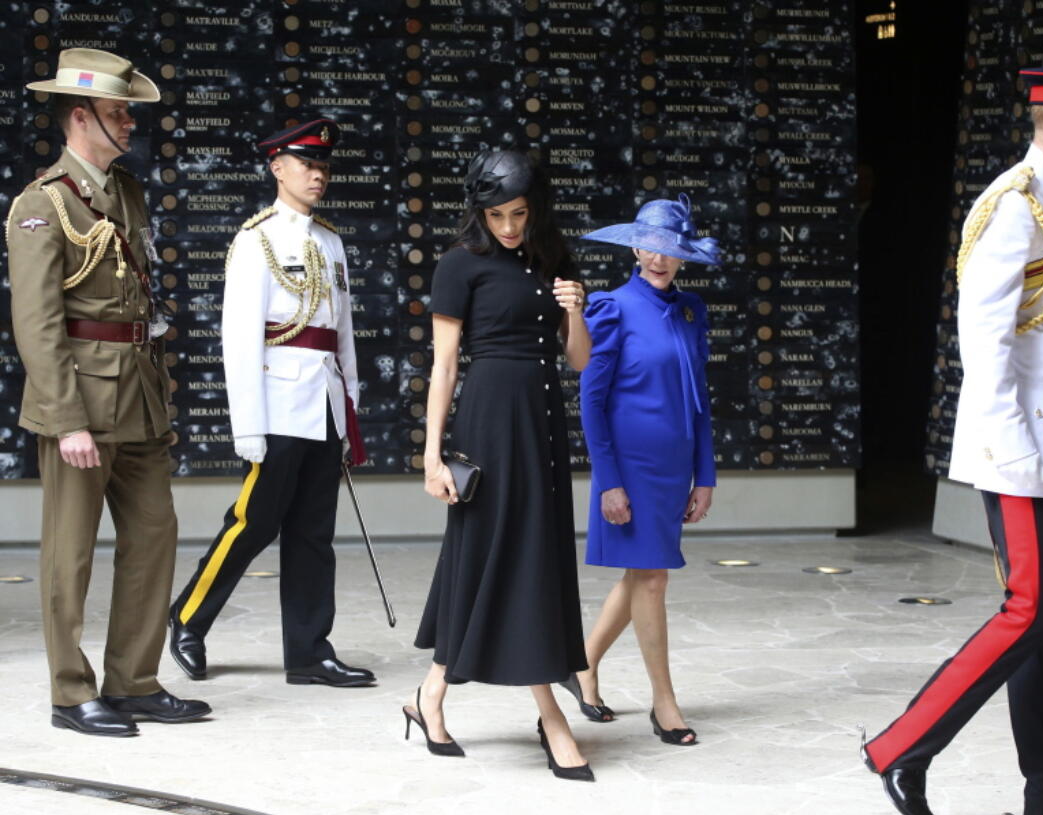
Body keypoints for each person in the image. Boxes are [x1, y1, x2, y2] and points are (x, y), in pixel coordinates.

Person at [861, 62, 1043, 815]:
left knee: (1039, 626)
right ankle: (899, 748)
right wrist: (1026, 468)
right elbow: (984, 349)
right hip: (1018, 456)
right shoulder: (1013, 209)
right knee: (1025, 614)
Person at [6, 48, 210, 735]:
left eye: (128, 111)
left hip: (138, 394)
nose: (130, 123)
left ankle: (133, 681)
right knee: (70, 550)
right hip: (81, 404)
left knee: (154, 535)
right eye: (119, 112)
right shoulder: (42, 205)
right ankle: (71, 693)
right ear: (80, 116)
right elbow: (37, 325)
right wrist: (67, 422)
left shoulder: (124, 191)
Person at [166, 119, 375, 689]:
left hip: (324, 405)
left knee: (313, 533)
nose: (317, 174)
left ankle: (309, 652)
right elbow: (238, 341)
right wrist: (247, 428)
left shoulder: (331, 242)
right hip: (278, 407)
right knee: (252, 524)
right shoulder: (255, 240)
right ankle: (187, 617)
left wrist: (350, 403)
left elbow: (342, 334)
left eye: (324, 166)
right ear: (276, 167)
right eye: (307, 164)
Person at [408, 149, 594, 781]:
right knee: (491, 550)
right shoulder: (461, 264)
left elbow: (580, 362)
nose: (509, 227)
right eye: (496, 215)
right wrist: (433, 453)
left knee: (524, 555)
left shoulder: (554, 262)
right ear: (479, 212)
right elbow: (445, 365)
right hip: (489, 418)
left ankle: (432, 694)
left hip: (542, 419)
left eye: (518, 213)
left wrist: (575, 308)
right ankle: (551, 717)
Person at [559, 195, 719, 746]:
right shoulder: (611, 308)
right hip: (630, 466)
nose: (659, 258)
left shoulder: (693, 311)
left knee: (641, 575)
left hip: (676, 469)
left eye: (671, 250)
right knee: (652, 578)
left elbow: (700, 399)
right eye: (650, 246)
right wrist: (609, 480)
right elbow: (590, 401)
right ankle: (664, 703)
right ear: (633, 245)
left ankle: (581, 667)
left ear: (684, 256)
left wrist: (706, 475)